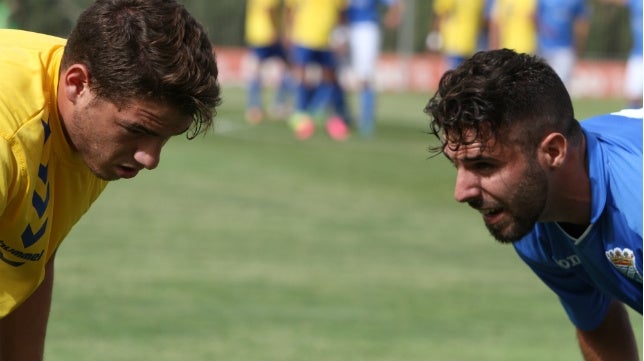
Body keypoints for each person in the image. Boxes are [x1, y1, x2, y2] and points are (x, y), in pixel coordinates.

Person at [0, 0, 221, 360]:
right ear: (77, 84)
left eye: (166, 137)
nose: (150, 158)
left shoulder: (89, 117)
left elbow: (30, 254)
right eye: (137, 129)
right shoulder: (8, 134)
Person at [424, 49, 641, 360]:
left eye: (484, 165)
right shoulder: (532, 220)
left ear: (553, 152)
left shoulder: (636, 200)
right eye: (456, 165)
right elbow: (598, 323)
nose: (462, 192)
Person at [284, 0, 350, 141]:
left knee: (329, 77)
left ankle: (314, 112)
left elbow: (341, 14)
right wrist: (289, 34)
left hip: (327, 40)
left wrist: (342, 37)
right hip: (304, 37)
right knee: (302, 77)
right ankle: (301, 113)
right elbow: (290, 10)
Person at [345, 0, 402, 137]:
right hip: (347, 26)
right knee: (337, 71)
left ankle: (366, 119)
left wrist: (392, 15)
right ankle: (338, 113)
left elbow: (395, 3)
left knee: (366, 76)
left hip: (366, 29)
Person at [244, 0, 293, 124]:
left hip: (256, 35)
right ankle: (277, 105)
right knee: (287, 65)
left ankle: (254, 107)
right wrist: (276, 32)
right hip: (267, 35)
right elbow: (269, 9)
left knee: (257, 71)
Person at [536, 0, 590, 87]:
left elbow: (582, 23)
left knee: (561, 86)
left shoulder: (577, 2)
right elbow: (535, 16)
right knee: (541, 87)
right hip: (543, 48)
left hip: (564, 49)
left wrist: (579, 47)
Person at [428, 0, 485, 71]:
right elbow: (440, 14)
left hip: (472, 46)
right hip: (454, 46)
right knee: (454, 77)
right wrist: (435, 37)